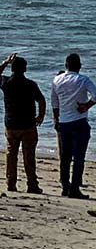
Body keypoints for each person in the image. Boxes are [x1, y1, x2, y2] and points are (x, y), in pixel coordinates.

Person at [0, 53, 46, 194]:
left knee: (11, 154)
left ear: (12, 69)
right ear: (25, 69)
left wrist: (5, 62)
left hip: (11, 124)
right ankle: (32, 184)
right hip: (28, 124)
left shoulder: (7, 82)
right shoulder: (31, 84)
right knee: (29, 155)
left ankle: (11, 183)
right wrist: (40, 116)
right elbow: (41, 100)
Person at [51, 52, 96, 199]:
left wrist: (57, 120)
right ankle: (75, 188)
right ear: (80, 66)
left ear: (66, 65)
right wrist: (86, 106)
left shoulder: (57, 80)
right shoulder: (83, 80)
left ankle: (65, 186)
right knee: (79, 156)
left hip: (64, 122)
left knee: (65, 156)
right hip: (79, 121)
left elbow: (55, 103)